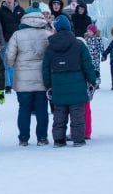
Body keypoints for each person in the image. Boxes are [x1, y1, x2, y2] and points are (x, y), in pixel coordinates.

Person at [42, 15, 97, 147]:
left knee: (59, 115)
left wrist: (48, 85)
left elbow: (46, 67)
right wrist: (92, 80)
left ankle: (59, 140)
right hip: (77, 85)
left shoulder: (51, 46)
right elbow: (87, 64)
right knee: (77, 114)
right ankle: (78, 139)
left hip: (58, 85)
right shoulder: (78, 44)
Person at [4, 7, 50, 146]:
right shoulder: (47, 34)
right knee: (42, 109)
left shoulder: (17, 35)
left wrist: (13, 64)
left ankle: (23, 138)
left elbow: (9, 57)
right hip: (41, 78)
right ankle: (42, 138)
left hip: (23, 79)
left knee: (24, 108)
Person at [0, 0, 24, 92]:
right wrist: (0, 41)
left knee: (16, 63)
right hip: (5, 41)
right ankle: (7, 85)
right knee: (6, 63)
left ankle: (14, 84)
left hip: (18, 41)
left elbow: (23, 26)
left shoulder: (20, 10)